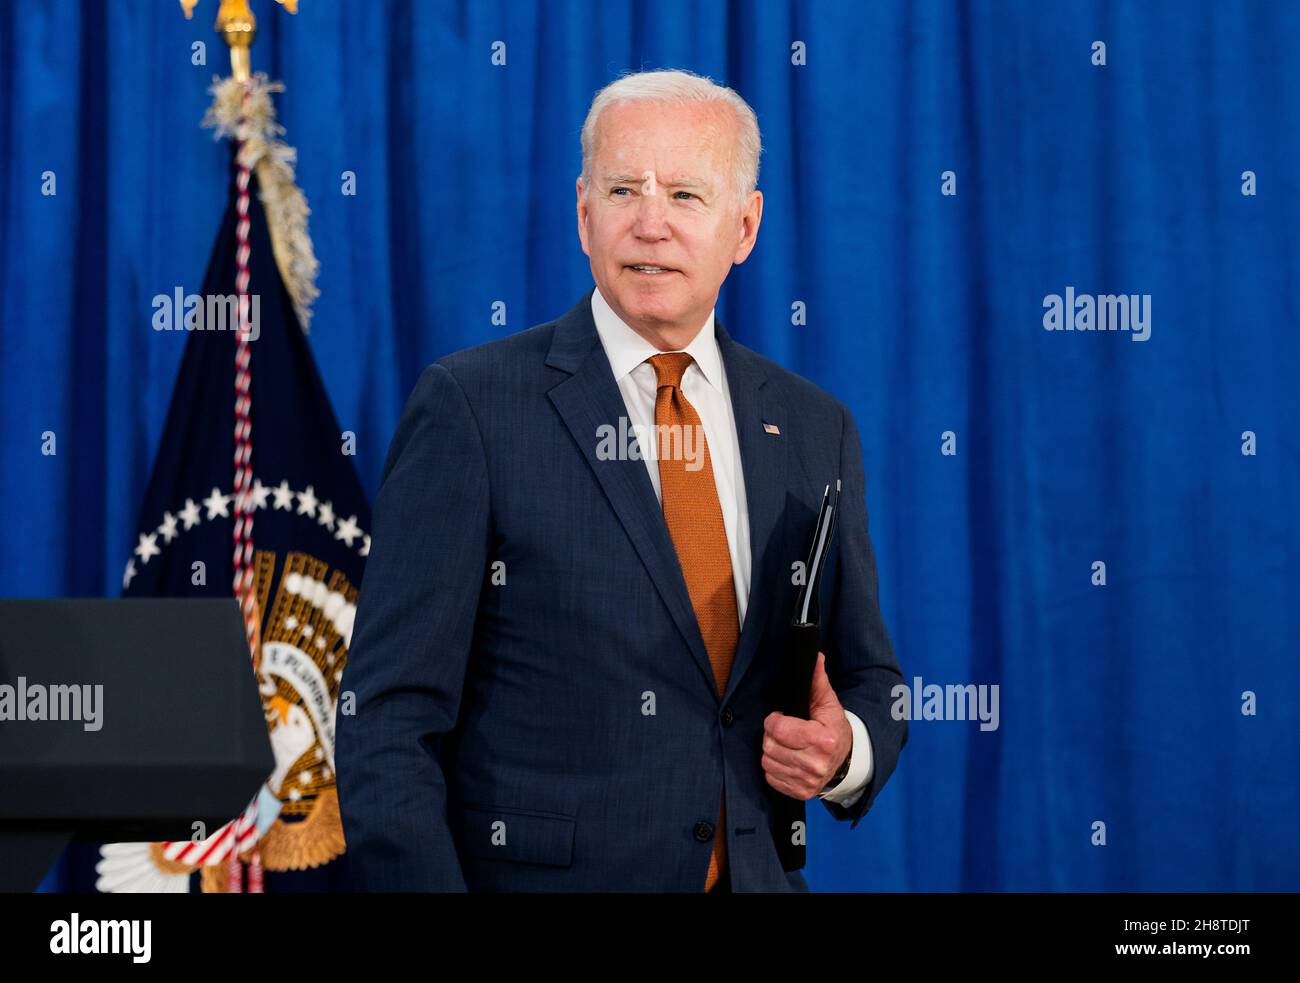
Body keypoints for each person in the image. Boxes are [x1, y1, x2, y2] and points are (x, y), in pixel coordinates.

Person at [336, 69, 906, 892]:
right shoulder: (473, 407)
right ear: (582, 212)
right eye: (623, 188)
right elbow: (387, 719)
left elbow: (871, 680)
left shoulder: (817, 427)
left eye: (684, 194)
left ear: (745, 226)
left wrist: (845, 750)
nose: (650, 224)